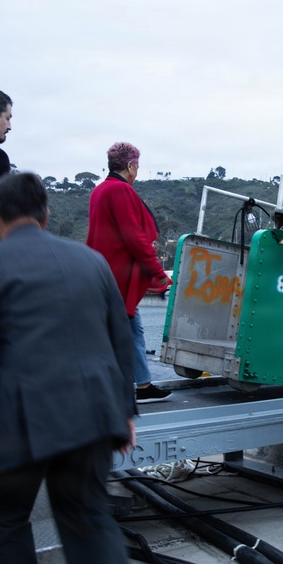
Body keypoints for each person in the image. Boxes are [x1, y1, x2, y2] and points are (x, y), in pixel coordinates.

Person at [0, 173, 140, 564]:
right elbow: (120, 341)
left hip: (22, 421)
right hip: (95, 416)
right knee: (88, 516)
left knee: (0, 515)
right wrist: (123, 410)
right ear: (46, 215)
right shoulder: (92, 262)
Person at [87, 141, 172, 403]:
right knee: (119, 331)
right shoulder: (120, 192)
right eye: (137, 166)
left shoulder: (98, 191)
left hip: (101, 274)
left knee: (132, 330)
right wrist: (159, 272)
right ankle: (109, 387)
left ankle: (143, 385)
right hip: (117, 279)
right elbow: (134, 238)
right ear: (130, 165)